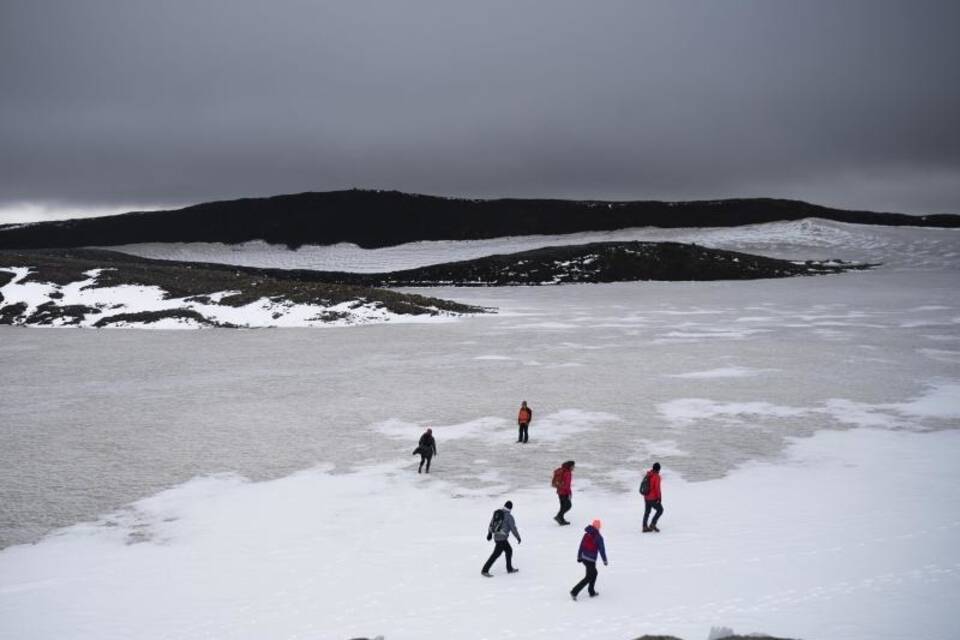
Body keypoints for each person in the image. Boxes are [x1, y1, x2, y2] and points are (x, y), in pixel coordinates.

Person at [481, 500, 521, 577]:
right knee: (496, 554)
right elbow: (513, 528)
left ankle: (509, 569)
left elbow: (491, 523)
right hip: (502, 539)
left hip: (497, 537)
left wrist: (489, 533)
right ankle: (484, 570)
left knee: (509, 550)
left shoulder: (497, 513)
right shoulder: (509, 517)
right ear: (510, 508)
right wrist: (518, 537)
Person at [570, 519, 607, 600]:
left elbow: (581, 546)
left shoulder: (586, 534)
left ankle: (591, 591)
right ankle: (574, 591)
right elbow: (602, 550)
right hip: (591, 560)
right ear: (599, 527)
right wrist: (605, 560)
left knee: (593, 573)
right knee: (589, 576)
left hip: (584, 558)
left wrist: (579, 557)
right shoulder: (599, 537)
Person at [641, 462, 664, 532]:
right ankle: (653, 524)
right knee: (660, 510)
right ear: (658, 469)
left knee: (647, 512)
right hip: (653, 498)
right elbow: (657, 488)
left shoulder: (648, 474)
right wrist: (659, 498)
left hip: (646, 497)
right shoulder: (657, 477)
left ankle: (644, 527)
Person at [553, 460, 575, 525]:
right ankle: (558, 516)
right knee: (568, 506)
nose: (574, 467)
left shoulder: (562, 470)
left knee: (563, 506)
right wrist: (569, 493)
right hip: (564, 492)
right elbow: (567, 485)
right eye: (573, 466)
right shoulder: (568, 473)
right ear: (570, 466)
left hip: (560, 491)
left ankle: (561, 520)